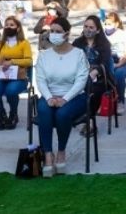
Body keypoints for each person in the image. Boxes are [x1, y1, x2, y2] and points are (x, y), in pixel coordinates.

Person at [35, 17, 88, 177]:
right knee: (44, 110)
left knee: (62, 114)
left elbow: (81, 80)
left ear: (66, 34)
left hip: (74, 97)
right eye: (52, 31)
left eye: (58, 32)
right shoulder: (44, 55)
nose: (54, 34)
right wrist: (49, 97)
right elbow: (40, 79)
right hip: (49, 95)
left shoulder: (78, 54)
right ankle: (48, 155)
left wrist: (65, 99)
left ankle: (61, 151)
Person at [0, 16, 32, 130]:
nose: (8, 27)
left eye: (12, 25)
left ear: (18, 28)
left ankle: (13, 114)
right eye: (6, 25)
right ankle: (3, 115)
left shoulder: (24, 43)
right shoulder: (0, 44)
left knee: (11, 91)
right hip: (2, 76)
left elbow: (29, 61)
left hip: (19, 77)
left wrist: (12, 62)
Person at [72, 15, 116, 133]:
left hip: (100, 78)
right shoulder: (77, 43)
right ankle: (81, 117)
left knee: (94, 90)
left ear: (97, 30)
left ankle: (89, 121)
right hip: (79, 76)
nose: (87, 29)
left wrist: (94, 73)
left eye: (91, 27)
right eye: (86, 26)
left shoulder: (104, 44)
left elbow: (106, 63)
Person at [104, 12, 126, 114]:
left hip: (122, 63)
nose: (107, 26)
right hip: (106, 62)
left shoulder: (124, 35)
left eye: (110, 23)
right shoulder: (101, 35)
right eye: (106, 23)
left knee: (119, 73)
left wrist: (118, 65)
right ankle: (101, 102)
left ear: (116, 24)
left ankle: (120, 101)